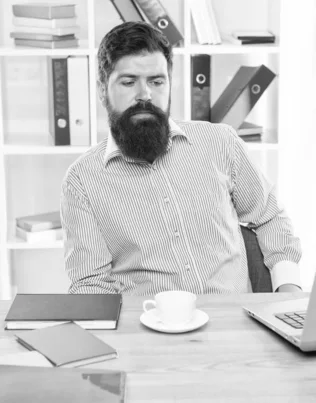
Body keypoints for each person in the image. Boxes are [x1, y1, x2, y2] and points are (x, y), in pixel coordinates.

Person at [60, 21, 302, 296]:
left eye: (156, 81)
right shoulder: (81, 181)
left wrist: (288, 287)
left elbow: (269, 217)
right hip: (145, 329)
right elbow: (90, 284)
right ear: (103, 88)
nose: (144, 95)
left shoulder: (220, 143)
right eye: (129, 82)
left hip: (233, 324)